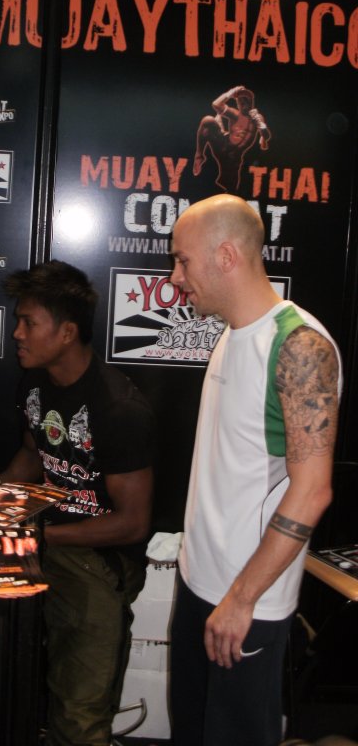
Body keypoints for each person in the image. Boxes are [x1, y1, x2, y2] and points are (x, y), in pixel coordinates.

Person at [168, 194, 342, 746]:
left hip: (247, 604)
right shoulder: (232, 332)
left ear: (226, 256)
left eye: (183, 261)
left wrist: (242, 599)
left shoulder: (299, 346)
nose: (175, 278)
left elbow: (312, 492)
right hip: (200, 584)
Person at [0, 260, 155, 746]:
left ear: (66, 332)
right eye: (18, 320)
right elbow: (31, 455)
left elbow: (132, 523)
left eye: (29, 322)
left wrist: (40, 536)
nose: (16, 333)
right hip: (45, 538)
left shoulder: (119, 409)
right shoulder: (35, 383)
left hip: (97, 560)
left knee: (79, 712)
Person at [193, 85, 271, 192]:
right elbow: (216, 104)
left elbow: (266, 137)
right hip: (224, 146)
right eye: (240, 102)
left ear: (251, 102)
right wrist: (231, 92)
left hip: (234, 157)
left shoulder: (257, 118)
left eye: (246, 101)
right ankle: (199, 156)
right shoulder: (235, 114)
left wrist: (260, 124)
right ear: (238, 104)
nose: (243, 104)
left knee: (230, 188)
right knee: (208, 120)